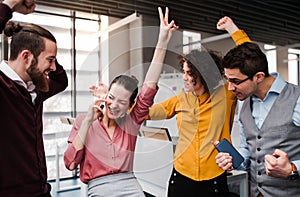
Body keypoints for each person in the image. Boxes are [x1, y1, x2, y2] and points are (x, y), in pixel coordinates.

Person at [64, 7, 178, 196]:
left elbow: (150, 85)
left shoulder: (131, 122)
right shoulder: (84, 121)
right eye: (111, 97)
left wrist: (162, 41)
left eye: (122, 102)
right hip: (98, 187)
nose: (114, 105)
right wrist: (87, 122)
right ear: (106, 95)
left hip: (129, 184)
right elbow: (70, 163)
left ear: (129, 106)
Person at [144, 17, 251, 197]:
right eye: (183, 71)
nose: (184, 77)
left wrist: (232, 29)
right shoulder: (180, 100)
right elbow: (145, 113)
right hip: (181, 177)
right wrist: (117, 101)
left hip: (214, 178)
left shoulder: (226, 95)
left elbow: (251, 60)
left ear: (203, 74)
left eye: (189, 73)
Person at [215, 41, 300, 195]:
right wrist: (232, 160)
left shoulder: (297, 98)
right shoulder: (244, 102)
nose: (230, 88)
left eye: (235, 81)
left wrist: (293, 168)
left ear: (259, 76)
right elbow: (247, 151)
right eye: (228, 80)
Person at [0, 16, 68, 197]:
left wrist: (48, 54)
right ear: (26, 56)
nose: (54, 67)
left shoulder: (36, 88)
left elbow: (61, 81)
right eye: (50, 60)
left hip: (41, 191)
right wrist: (8, 7)